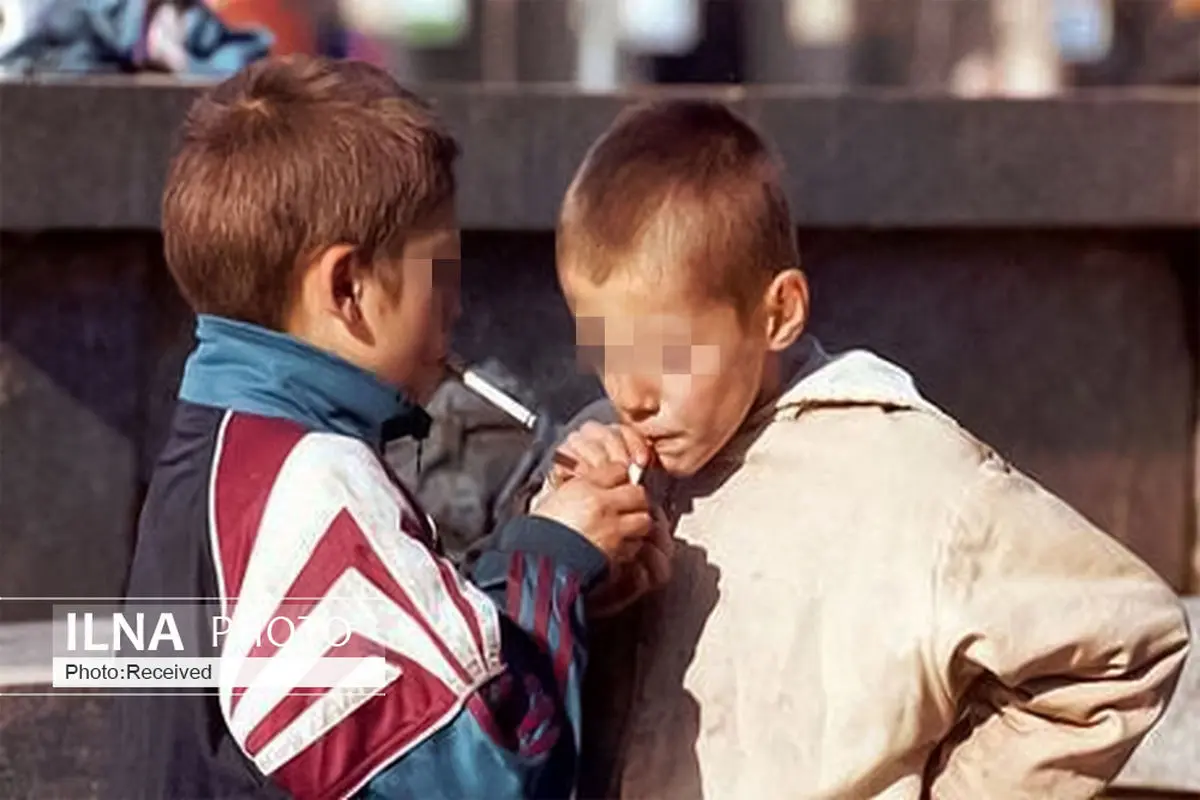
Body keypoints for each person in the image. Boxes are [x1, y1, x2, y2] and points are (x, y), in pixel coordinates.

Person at [541, 99, 1193, 798]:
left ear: (779, 313)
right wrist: (565, 572)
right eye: (604, 347)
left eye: (667, 351)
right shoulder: (597, 462)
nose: (630, 391)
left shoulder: (909, 479)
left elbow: (1123, 641)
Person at [114, 55, 654, 800]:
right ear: (349, 287)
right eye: (442, 276)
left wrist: (558, 595)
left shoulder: (221, 456)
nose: (456, 309)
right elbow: (491, 767)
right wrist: (549, 560)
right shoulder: (307, 480)